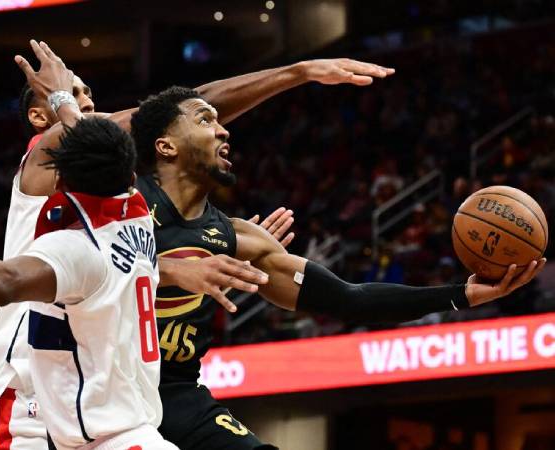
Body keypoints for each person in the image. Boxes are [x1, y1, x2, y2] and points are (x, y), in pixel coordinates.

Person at [0, 40, 395, 449]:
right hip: (32, 396)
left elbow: (178, 119)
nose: (86, 101)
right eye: (75, 93)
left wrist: (204, 251)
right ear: (37, 117)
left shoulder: (126, 202)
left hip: (108, 398)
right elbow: (23, 278)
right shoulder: (44, 166)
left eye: (89, 93)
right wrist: (295, 72)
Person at [130, 86, 547, 450]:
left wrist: (461, 295)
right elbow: (68, 268)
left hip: (177, 392)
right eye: (206, 120)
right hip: (104, 384)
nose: (224, 130)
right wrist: (164, 269)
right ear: (166, 145)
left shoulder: (239, 239)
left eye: (221, 121)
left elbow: (350, 298)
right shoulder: (119, 203)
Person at [0, 116, 179, 449]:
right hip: (137, 430)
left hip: (99, 437)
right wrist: (65, 104)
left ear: (58, 181)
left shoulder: (77, 249)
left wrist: (63, 101)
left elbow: (2, 283)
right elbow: (103, 150)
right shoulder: (139, 218)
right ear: (131, 179)